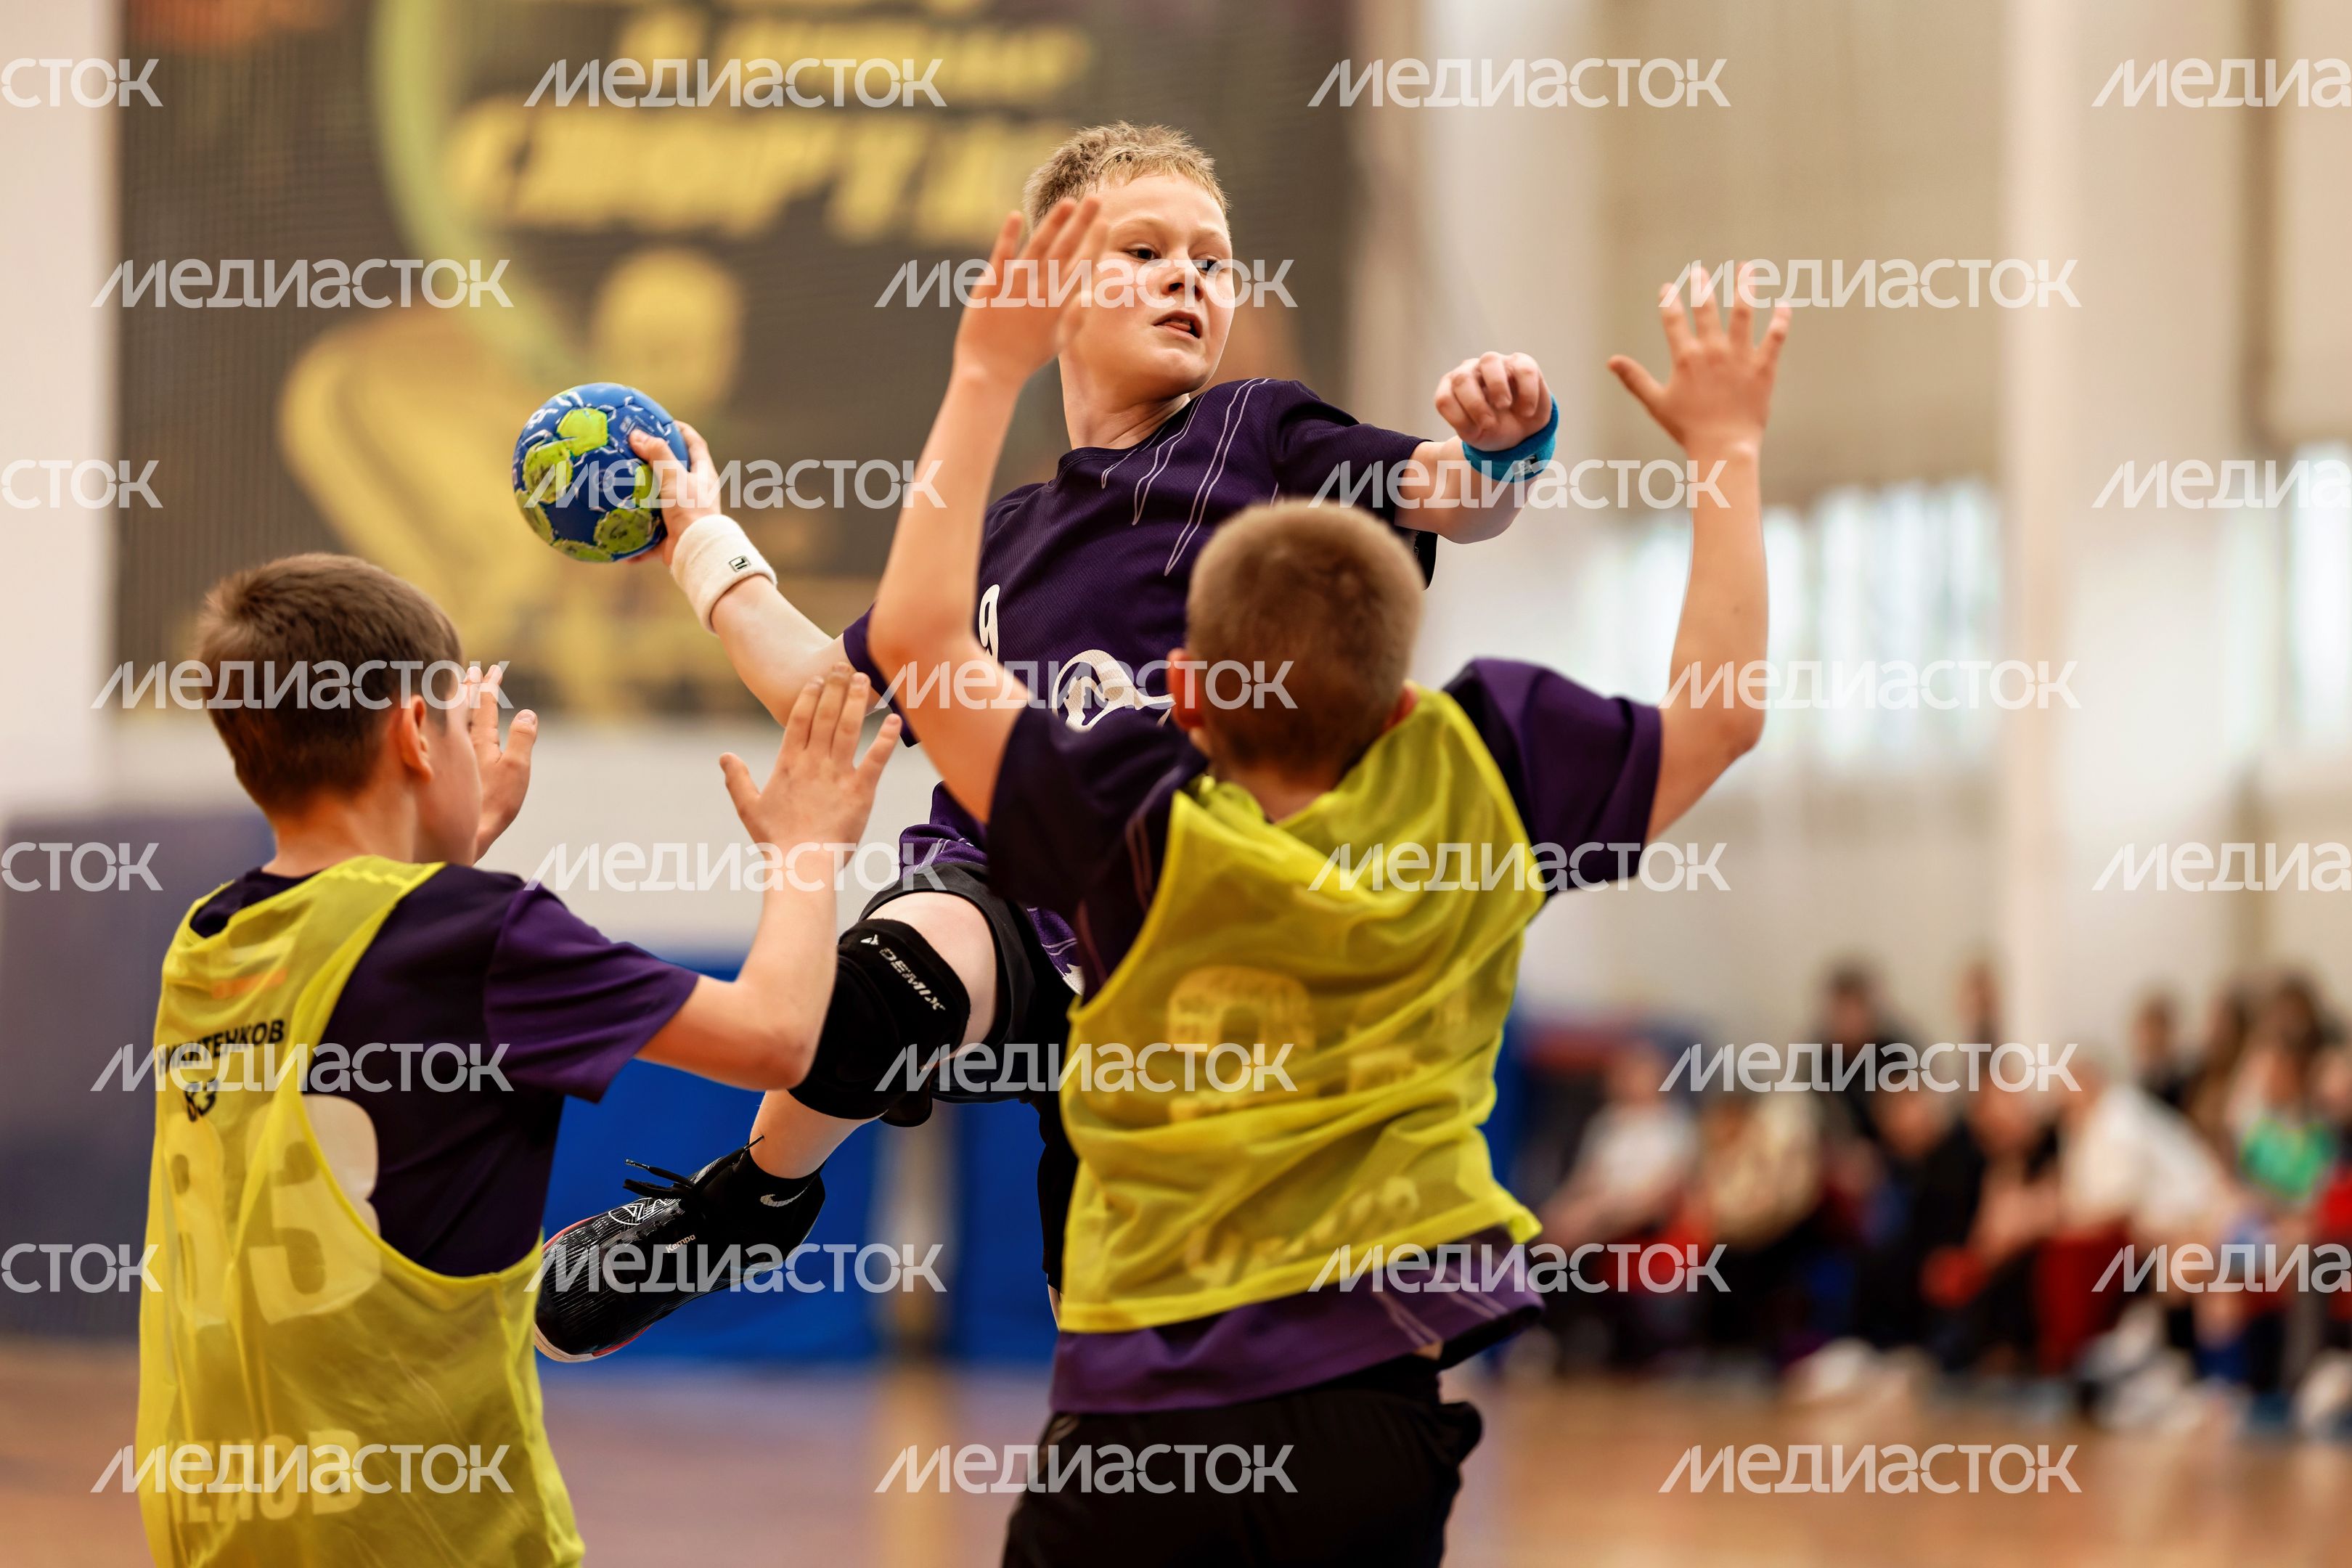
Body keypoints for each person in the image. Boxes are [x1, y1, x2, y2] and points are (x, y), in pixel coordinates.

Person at [820, 192, 1783, 1559]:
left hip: (1133, 1433)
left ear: (1183, 696)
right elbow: (1723, 715)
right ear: (1400, 693)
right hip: (1370, 1424)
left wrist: (985, 370)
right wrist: (1728, 455)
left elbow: (920, 643)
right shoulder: (1485, 772)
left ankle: (751, 1191)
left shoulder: (1130, 827)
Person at [535, 121, 1569, 1357]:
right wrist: (698, 538)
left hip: (1177, 954)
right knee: (880, 986)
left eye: (1213, 260)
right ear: (1050, 288)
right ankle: (744, 1206)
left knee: (1124, 1353)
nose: (1189, 278)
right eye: (1146, 250)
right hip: (1004, 896)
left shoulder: (1259, 435)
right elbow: (832, 695)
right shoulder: (1000, 536)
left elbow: (1452, 495)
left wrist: (1507, 448)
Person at [136, 555, 896, 1564]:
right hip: (427, 1537)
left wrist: (442, 842)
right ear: (415, 733)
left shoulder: (206, 943)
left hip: (217, 1528)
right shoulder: (480, 936)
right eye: (461, 725)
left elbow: (377, 969)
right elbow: (777, 1040)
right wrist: (807, 852)